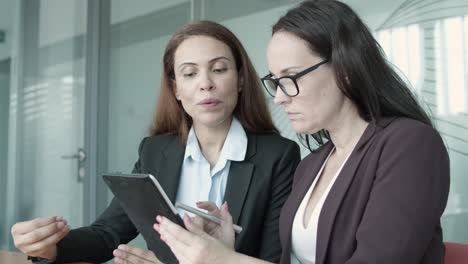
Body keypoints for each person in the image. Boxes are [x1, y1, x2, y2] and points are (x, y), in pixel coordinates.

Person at [154, 1, 451, 264]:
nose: (280, 97)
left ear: (344, 69)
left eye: (291, 77)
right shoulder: (311, 165)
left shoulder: (410, 145)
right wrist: (229, 250)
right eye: (276, 81)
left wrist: (227, 261)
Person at [10, 21, 301, 264]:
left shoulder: (278, 156)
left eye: (219, 69)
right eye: (189, 73)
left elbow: (274, 259)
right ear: (176, 88)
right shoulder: (155, 152)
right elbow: (106, 233)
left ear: (239, 79)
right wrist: (48, 246)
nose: (205, 83)